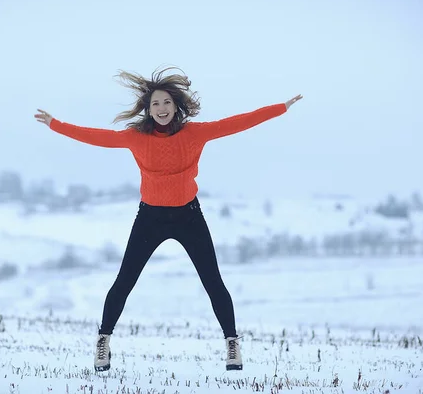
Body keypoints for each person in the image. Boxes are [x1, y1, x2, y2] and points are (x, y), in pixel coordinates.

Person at [34, 66, 302, 372]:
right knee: (125, 280)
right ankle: (103, 341)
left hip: (188, 216)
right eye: (155, 104)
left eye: (166, 103)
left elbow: (236, 123)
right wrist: (56, 125)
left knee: (212, 281)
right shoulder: (136, 138)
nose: (161, 109)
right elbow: (98, 138)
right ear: (149, 110)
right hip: (150, 218)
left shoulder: (195, 134)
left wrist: (280, 108)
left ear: (176, 107)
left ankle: (232, 344)